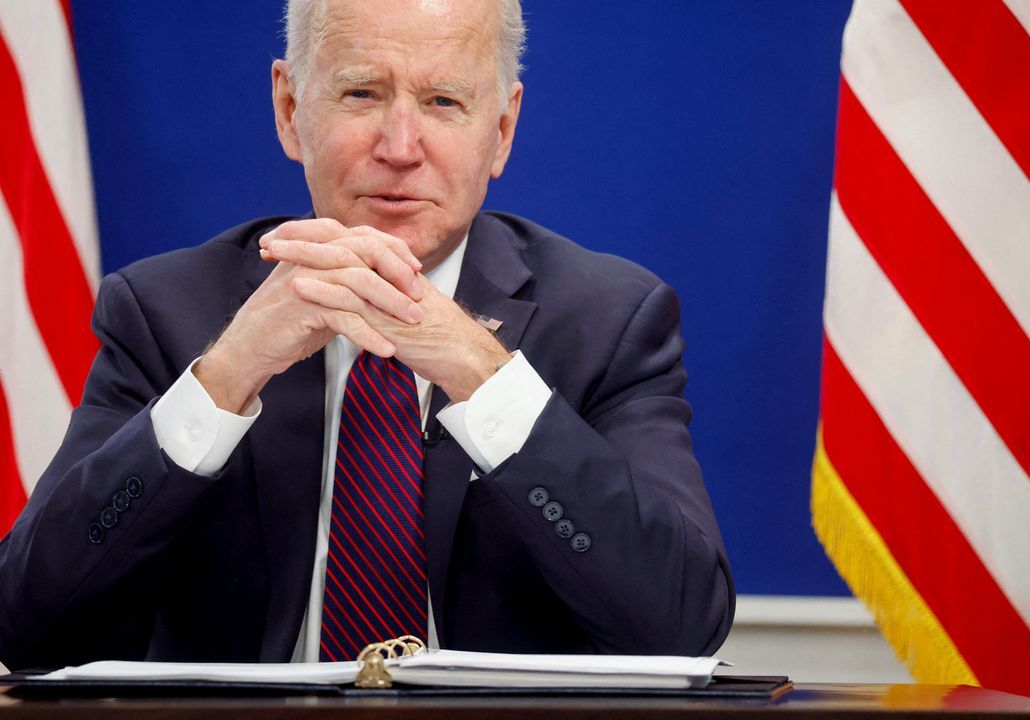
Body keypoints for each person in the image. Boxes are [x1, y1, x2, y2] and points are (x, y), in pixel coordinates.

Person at [0, 0, 734, 668]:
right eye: (362, 93)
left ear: (501, 131)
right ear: (290, 109)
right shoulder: (165, 313)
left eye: (444, 101)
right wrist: (222, 379)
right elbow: (28, 627)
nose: (400, 146)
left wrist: (485, 375)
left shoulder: (609, 320)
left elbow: (678, 627)